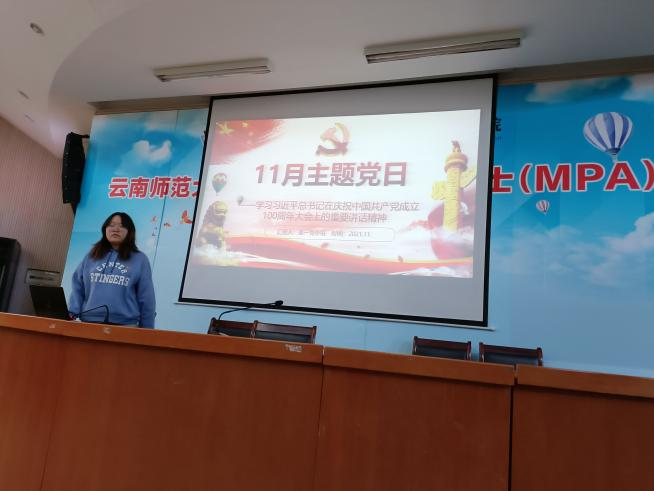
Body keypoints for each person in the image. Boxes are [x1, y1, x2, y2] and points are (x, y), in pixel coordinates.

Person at [69, 212, 156, 328]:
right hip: (89, 323)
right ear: (105, 229)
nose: (116, 229)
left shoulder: (140, 259)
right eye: (111, 225)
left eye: (121, 226)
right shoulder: (92, 256)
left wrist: (147, 329)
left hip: (125, 326)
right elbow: (78, 287)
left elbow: (147, 297)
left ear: (129, 231)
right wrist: (72, 313)